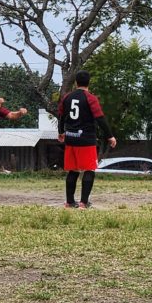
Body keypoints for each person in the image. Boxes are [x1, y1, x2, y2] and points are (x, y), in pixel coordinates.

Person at [58, 70, 117, 208]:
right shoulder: (90, 98)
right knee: (89, 169)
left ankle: (69, 202)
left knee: (73, 170)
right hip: (86, 139)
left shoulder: (67, 97)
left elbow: (61, 116)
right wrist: (110, 136)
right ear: (88, 82)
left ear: (76, 82)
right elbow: (100, 118)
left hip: (71, 138)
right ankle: (84, 202)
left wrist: (61, 132)